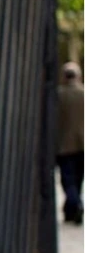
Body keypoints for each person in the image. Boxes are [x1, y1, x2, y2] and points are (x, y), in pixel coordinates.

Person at [57, 61, 84, 225]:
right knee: (78, 179)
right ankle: (71, 210)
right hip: (82, 144)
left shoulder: (59, 95)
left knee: (68, 180)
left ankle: (75, 205)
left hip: (64, 144)